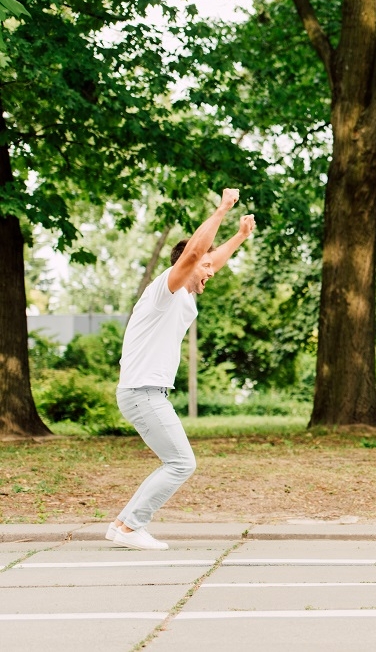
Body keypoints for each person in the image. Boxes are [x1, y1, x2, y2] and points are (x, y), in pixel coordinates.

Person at [107, 188, 254, 550]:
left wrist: (239, 236)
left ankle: (124, 524)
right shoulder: (166, 288)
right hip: (142, 392)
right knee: (180, 462)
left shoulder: (185, 292)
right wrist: (222, 209)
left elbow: (209, 259)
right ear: (187, 265)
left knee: (176, 461)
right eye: (205, 267)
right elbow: (194, 254)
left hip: (146, 392)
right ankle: (128, 527)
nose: (212, 272)